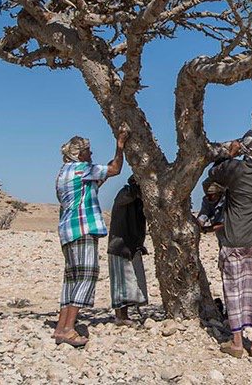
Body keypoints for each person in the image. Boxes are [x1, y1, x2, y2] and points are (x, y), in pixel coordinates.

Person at [206, 112, 252, 358]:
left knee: (234, 290)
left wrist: (230, 153)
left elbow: (213, 174)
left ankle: (237, 342)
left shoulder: (234, 169)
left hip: (234, 239)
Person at [53, 129, 127, 347]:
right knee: (87, 275)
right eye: (88, 151)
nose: (91, 154)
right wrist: (120, 145)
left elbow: (94, 183)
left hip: (67, 230)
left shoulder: (64, 172)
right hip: (83, 228)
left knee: (71, 278)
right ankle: (69, 328)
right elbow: (115, 169)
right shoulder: (82, 169)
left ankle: (60, 327)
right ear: (80, 154)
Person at [107, 175, 149, 325]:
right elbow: (128, 197)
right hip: (120, 246)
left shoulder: (139, 202)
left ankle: (126, 315)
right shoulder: (124, 194)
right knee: (122, 284)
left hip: (132, 246)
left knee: (133, 282)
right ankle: (121, 316)